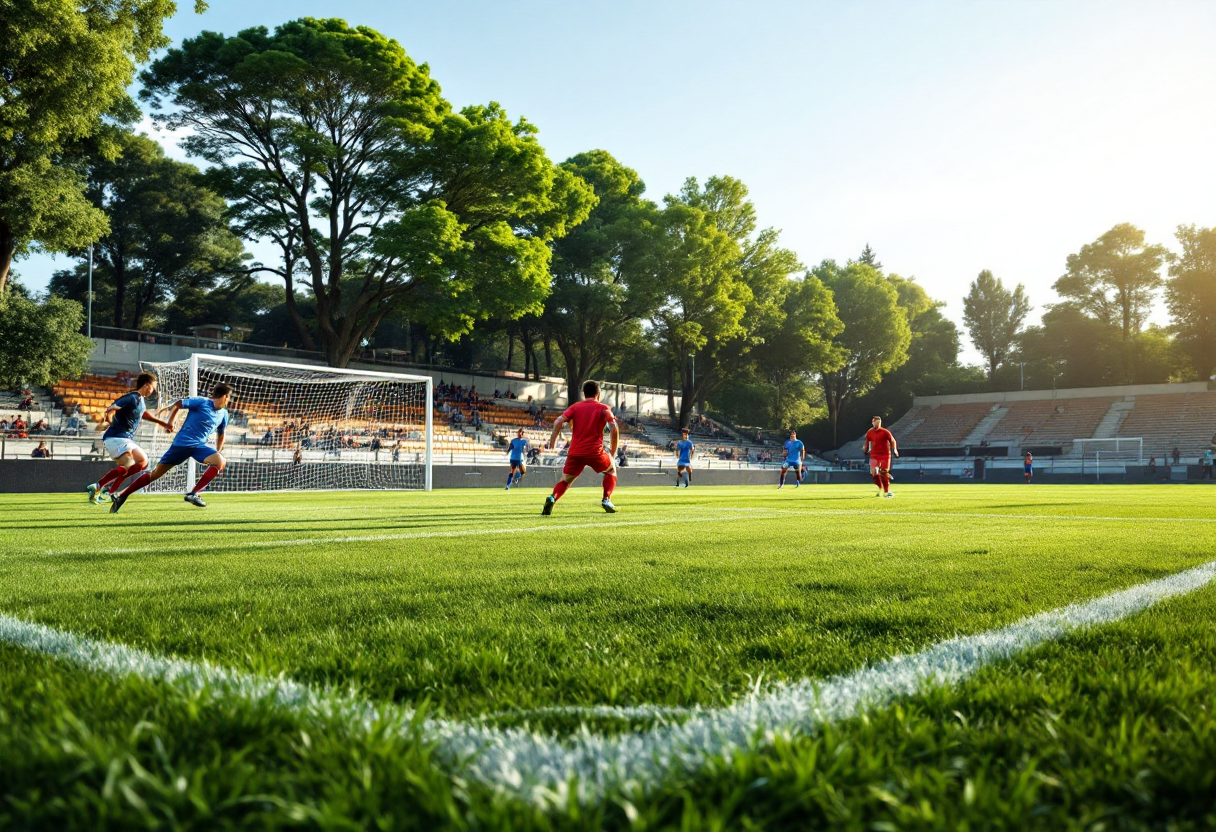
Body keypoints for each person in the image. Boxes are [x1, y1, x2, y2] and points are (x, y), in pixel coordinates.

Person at [109, 382, 232, 513]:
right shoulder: (202, 402)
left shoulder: (223, 413)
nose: (229, 401)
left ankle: (193, 494)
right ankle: (122, 496)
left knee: (220, 461)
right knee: (155, 474)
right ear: (224, 396)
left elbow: (221, 433)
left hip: (198, 446)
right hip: (181, 444)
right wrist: (170, 422)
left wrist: (217, 451)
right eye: (229, 397)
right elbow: (179, 404)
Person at [85, 372, 174, 504]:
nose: (153, 391)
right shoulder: (132, 397)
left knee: (142, 463)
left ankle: (107, 491)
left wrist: (164, 423)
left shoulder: (140, 400)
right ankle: (101, 488)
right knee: (128, 465)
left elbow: (143, 414)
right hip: (115, 437)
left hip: (125, 439)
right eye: (153, 388)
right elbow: (110, 409)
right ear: (146, 385)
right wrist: (109, 421)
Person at [541, 381, 618, 514]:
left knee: (566, 480)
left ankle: (552, 497)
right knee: (611, 471)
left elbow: (558, 421)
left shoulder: (575, 407)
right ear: (598, 394)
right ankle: (606, 499)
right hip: (595, 451)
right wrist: (613, 451)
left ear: (584, 393)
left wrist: (552, 441)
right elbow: (614, 428)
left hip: (575, 452)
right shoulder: (603, 408)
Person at [863, 416, 899, 498]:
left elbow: (892, 440)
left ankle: (887, 491)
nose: (877, 424)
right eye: (876, 422)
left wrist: (895, 450)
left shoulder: (885, 432)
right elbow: (867, 441)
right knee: (873, 472)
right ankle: (880, 488)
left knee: (883, 472)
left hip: (885, 454)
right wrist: (866, 449)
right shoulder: (870, 432)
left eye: (879, 422)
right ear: (872, 422)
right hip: (874, 455)